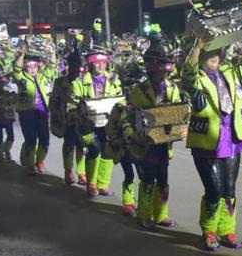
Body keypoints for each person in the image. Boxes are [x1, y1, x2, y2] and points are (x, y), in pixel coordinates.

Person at [182, 25, 242, 251]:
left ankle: (226, 229)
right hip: (208, 140)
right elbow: (187, 72)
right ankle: (209, 229)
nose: (215, 56)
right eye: (210, 52)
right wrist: (198, 45)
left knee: (229, 188)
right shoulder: (195, 78)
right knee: (214, 190)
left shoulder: (230, 71)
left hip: (233, 137)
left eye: (217, 51)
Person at [126, 36, 183, 229]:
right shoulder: (139, 90)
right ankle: (144, 214)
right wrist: (135, 134)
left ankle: (161, 215)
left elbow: (178, 112)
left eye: (166, 71)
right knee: (148, 178)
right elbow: (130, 116)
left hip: (164, 144)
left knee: (163, 179)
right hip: (146, 144)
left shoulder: (174, 87)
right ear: (151, 69)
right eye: (160, 71)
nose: (163, 76)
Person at [70, 45, 123, 197]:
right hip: (89, 124)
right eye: (96, 62)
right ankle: (91, 184)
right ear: (90, 63)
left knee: (108, 152)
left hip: (108, 123)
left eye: (103, 62)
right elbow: (71, 106)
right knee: (94, 150)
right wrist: (80, 114)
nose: (100, 65)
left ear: (107, 63)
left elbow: (120, 101)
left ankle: (103, 184)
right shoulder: (79, 83)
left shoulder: (114, 80)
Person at [104, 61, 145, 216]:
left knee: (143, 175)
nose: (130, 89)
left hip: (141, 146)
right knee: (129, 174)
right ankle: (128, 202)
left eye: (134, 86)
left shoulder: (144, 105)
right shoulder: (119, 107)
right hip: (124, 148)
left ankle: (144, 204)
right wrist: (116, 141)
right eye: (128, 86)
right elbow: (110, 128)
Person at [13, 42, 54, 174]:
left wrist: (52, 52)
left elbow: (52, 67)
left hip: (42, 111)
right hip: (26, 112)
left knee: (45, 140)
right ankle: (31, 164)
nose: (32, 69)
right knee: (30, 139)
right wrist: (22, 55)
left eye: (34, 66)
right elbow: (16, 70)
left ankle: (40, 161)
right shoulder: (21, 77)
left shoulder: (43, 76)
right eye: (29, 66)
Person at [51, 50, 88, 185]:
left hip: (83, 119)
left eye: (78, 66)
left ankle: (82, 172)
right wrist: (58, 116)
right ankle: (68, 171)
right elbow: (53, 102)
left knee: (82, 146)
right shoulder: (60, 82)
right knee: (69, 145)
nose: (76, 69)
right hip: (67, 120)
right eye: (73, 66)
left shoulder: (85, 81)